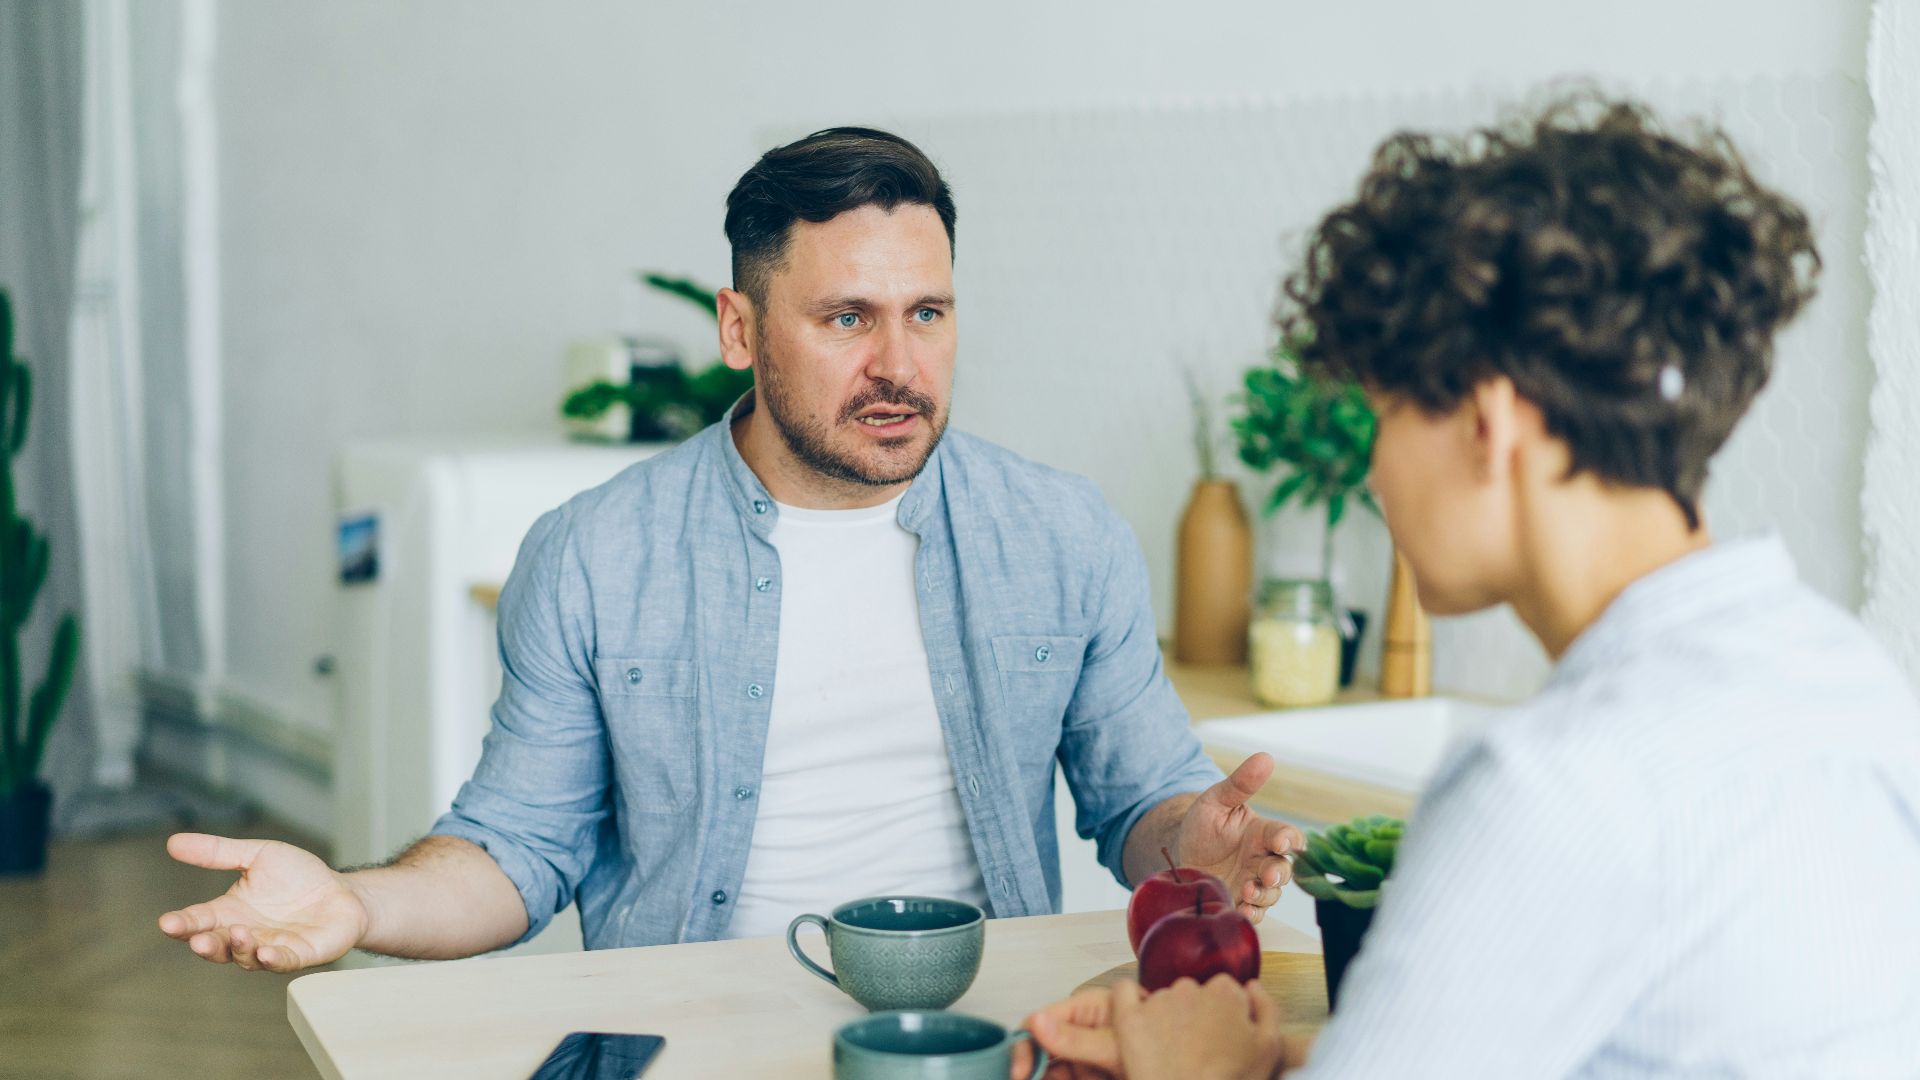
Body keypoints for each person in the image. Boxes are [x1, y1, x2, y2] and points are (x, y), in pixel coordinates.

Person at [156, 127, 1304, 973]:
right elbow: (515, 851)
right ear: (740, 328)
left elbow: (1139, 805)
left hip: (981, 1035)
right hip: (690, 1036)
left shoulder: (1062, 536)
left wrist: (1192, 841)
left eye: (930, 314)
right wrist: (356, 904)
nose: (900, 366)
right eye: (847, 319)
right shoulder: (597, 556)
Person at [1023, 95, 1920, 1077]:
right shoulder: (1849, 678)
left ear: (1486, 425)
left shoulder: (1551, 786)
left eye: (1383, 413)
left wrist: (1191, 1068)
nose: (1372, 474)